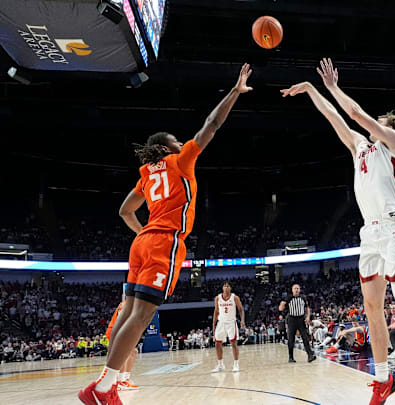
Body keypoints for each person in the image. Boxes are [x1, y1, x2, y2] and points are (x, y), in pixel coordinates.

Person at [78, 64, 254, 405]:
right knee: (142, 316)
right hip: (165, 241)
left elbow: (125, 210)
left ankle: (105, 382)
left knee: (129, 313)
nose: (180, 141)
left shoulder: (146, 172)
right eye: (175, 140)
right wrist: (235, 91)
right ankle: (103, 389)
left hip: (141, 243)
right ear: (167, 148)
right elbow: (212, 125)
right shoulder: (179, 161)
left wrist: (145, 231)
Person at [281, 58, 395, 404]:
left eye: (376, 123)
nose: (371, 126)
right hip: (370, 234)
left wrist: (334, 87)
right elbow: (336, 118)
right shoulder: (360, 148)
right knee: (371, 307)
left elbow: (354, 114)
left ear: (385, 126)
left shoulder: (394, 143)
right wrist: (310, 91)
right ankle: (384, 379)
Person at [211, 282, 246, 373]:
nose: (226, 287)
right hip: (221, 322)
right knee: (217, 343)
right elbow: (216, 311)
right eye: (224, 286)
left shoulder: (235, 297)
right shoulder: (218, 298)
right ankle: (220, 365)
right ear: (222, 288)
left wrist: (242, 320)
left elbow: (241, 309)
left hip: (231, 322)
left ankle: (236, 364)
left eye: (228, 286)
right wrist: (214, 324)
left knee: (233, 343)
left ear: (230, 288)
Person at [105, 300, 139, 391]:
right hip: (116, 330)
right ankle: (120, 381)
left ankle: (125, 379)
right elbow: (122, 321)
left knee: (134, 352)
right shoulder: (126, 303)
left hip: (122, 330)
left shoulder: (134, 303)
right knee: (125, 353)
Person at [278, 284, 316, 363]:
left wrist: (308, 317)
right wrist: (282, 304)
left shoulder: (303, 298)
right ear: (292, 290)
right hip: (292, 319)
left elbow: (307, 308)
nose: (296, 290)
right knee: (291, 339)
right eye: (295, 288)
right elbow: (280, 308)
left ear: (299, 290)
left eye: (298, 288)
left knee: (305, 337)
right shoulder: (289, 298)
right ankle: (291, 357)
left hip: (301, 319)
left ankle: (310, 355)